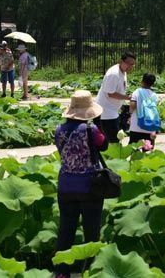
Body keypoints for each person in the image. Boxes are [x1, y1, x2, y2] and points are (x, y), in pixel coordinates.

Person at [54, 90, 107, 278]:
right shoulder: (90, 130)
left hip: (66, 185)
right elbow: (104, 144)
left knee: (66, 229)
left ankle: (61, 273)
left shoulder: (59, 130)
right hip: (89, 186)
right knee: (91, 231)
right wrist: (98, 122)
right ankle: (93, 271)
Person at [96, 51, 136, 143]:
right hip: (106, 112)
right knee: (113, 141)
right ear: (121, 61)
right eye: (128, 63)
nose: (130, 66)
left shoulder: (123, 72)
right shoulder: (113, 74)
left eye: (132, 64)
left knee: (113, 140)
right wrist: (128, 98)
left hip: (113, 110)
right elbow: (111, 93)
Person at [129, 73, 159, 146]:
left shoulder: (137, 92)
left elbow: (132, 106)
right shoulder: (154, 96)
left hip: (136, 127)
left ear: (142, 81)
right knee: (147, 152)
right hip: (149, 128)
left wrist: (130, 114)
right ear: (152, 84)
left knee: (134, 152)